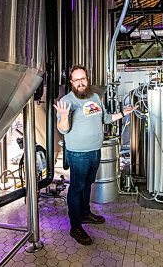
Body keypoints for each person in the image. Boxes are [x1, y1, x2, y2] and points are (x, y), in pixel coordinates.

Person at [54, 65, 137, 245]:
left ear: (87, 79)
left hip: (94, 151)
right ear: (71, 83)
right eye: (76, 80)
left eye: (83, 78)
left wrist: (124, 113)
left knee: (87, 185)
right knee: (76, 188)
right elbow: (63, 129)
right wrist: (63, 117)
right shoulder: (66, 101)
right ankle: (75, 226)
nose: (80, 83)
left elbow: (105, 119)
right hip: (78, 154)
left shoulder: (94, 97)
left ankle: (85, 214)